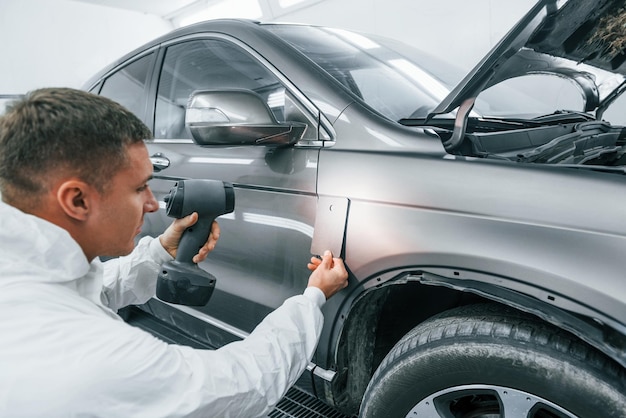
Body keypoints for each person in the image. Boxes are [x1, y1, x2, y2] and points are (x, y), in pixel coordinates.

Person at [0, 87, 349, 417]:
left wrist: (159, 254)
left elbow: (92, 289)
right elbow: (239, 386)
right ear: (76, 200)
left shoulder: (21, 276)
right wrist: (313, 297)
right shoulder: (91, 356)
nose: (153, 204)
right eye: (139, 188)